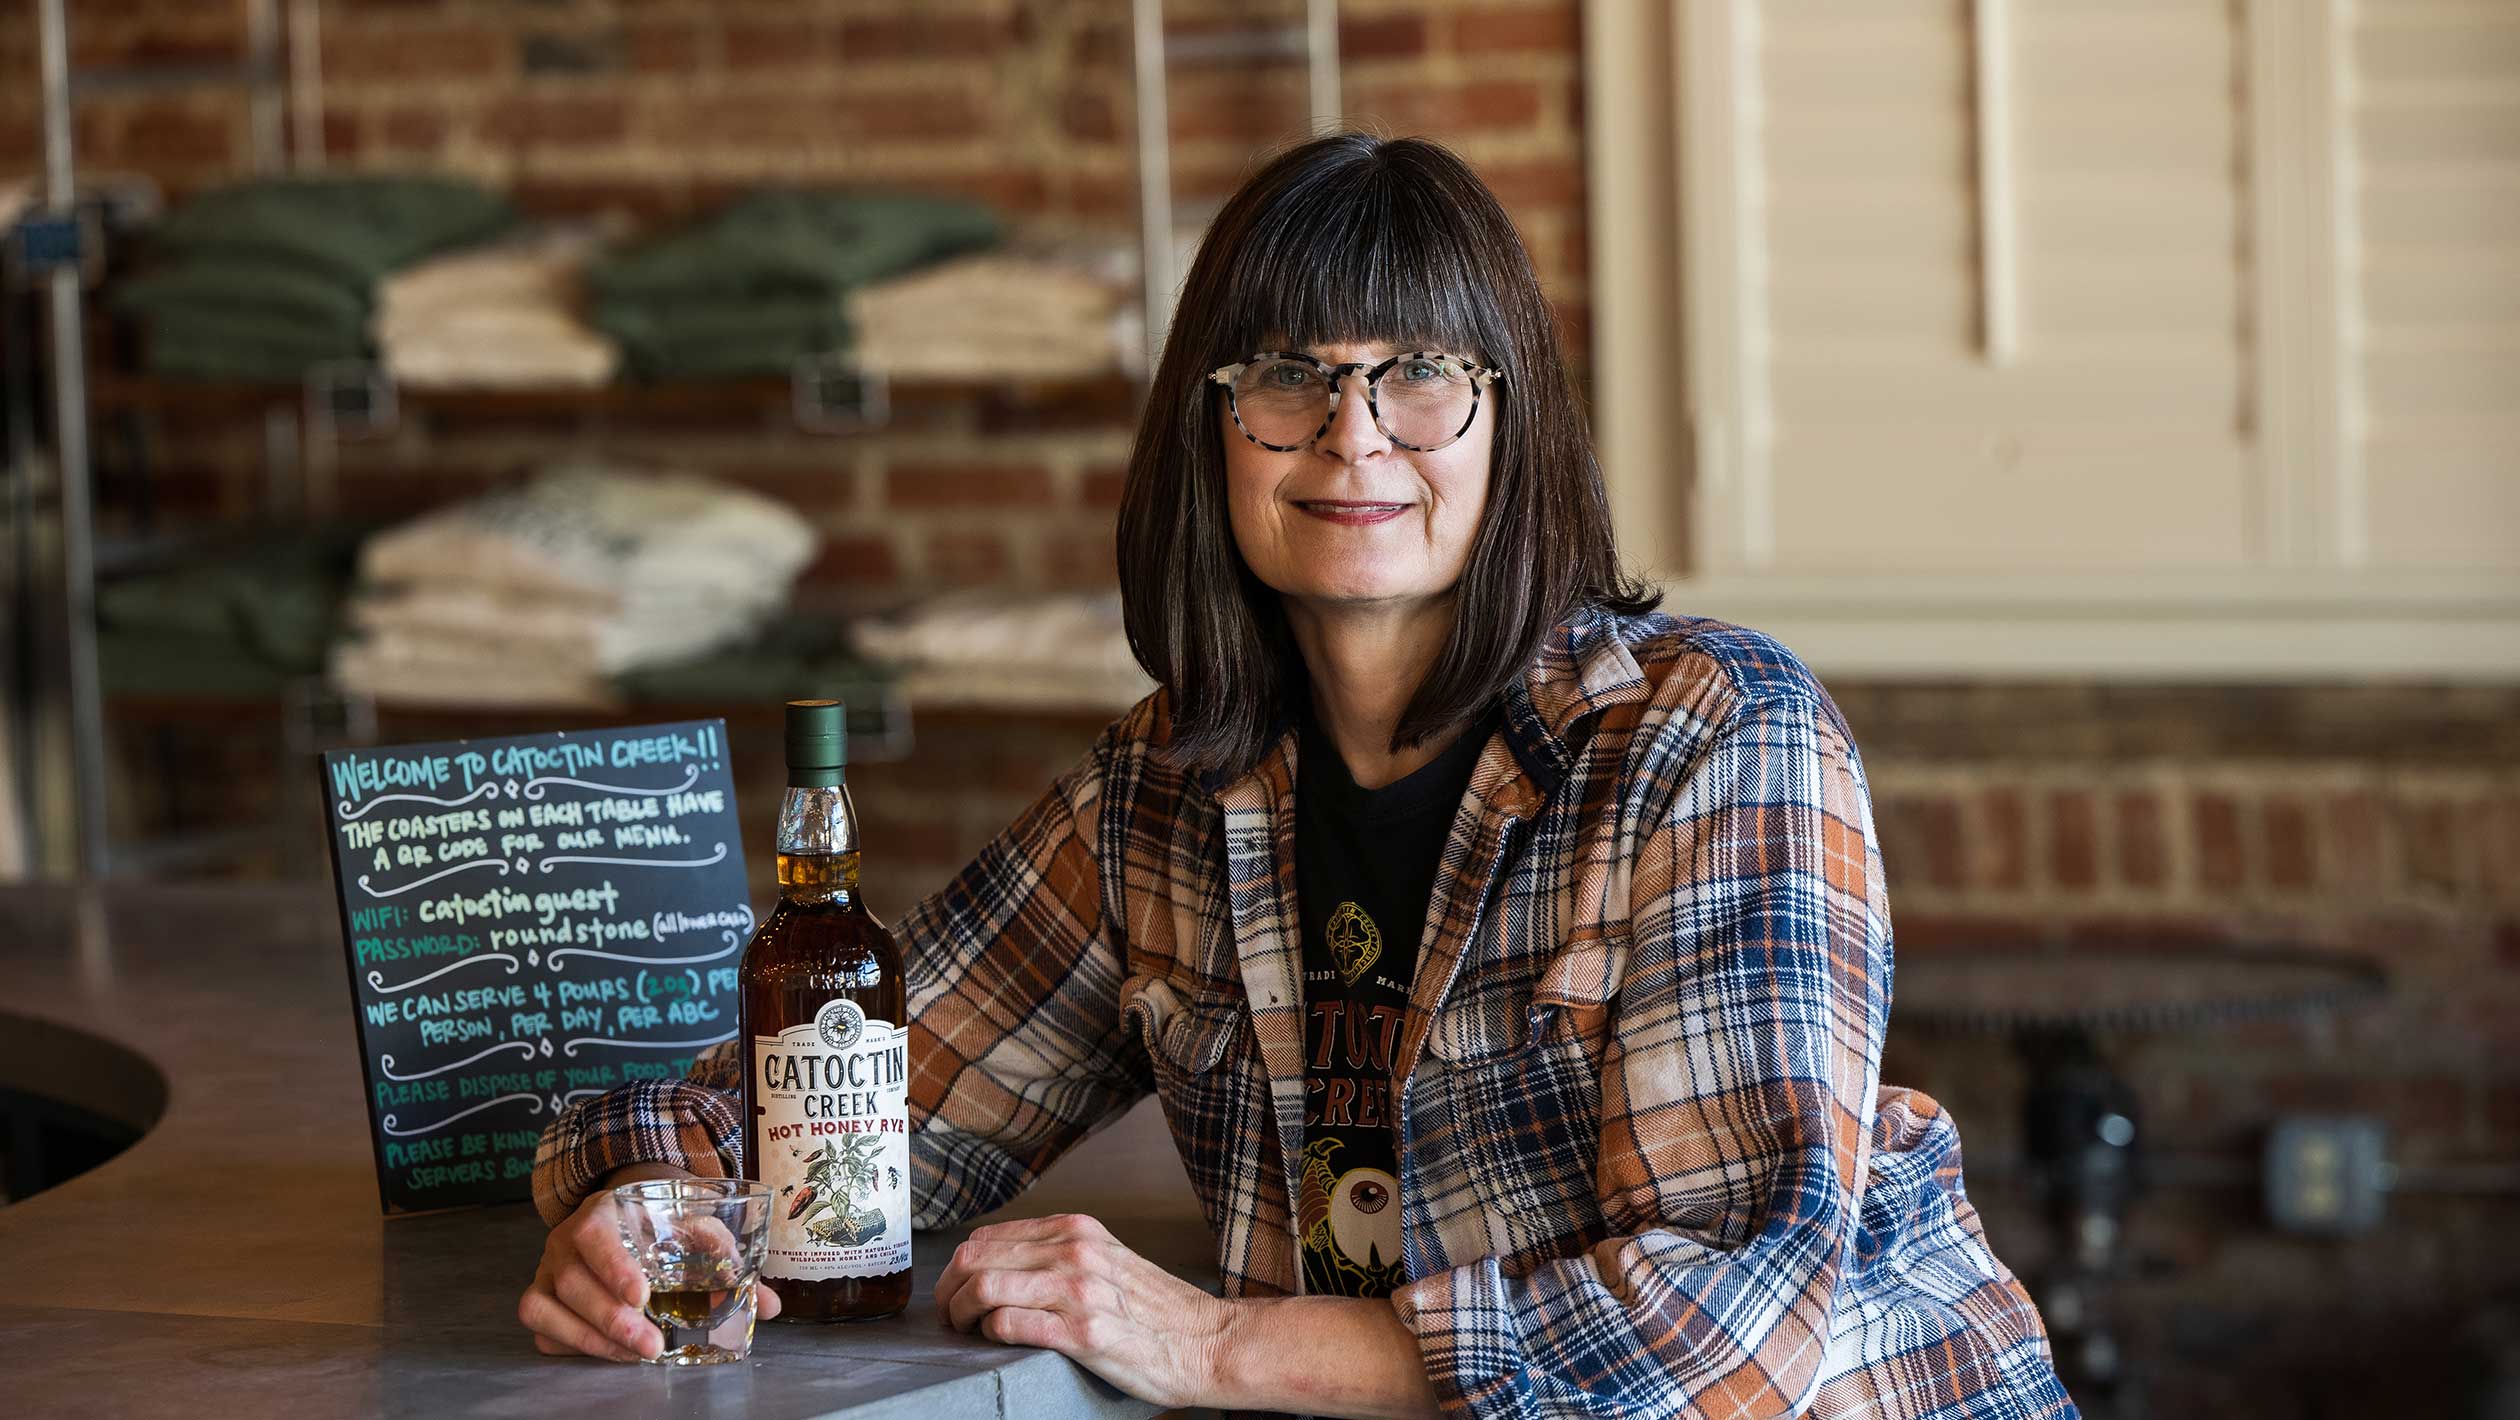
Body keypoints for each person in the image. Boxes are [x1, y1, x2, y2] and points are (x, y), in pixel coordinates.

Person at [518, 132, 2076, 1419]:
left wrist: (1208, 1346)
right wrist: (639, 1212)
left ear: (1508, 419)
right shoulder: (1161, 803)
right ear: (1212, 434)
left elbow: (1728, 1334)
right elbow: (829, 1121)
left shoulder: (1708, 738)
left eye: (1419, 375)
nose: (1352, 439)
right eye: (1286, 377)